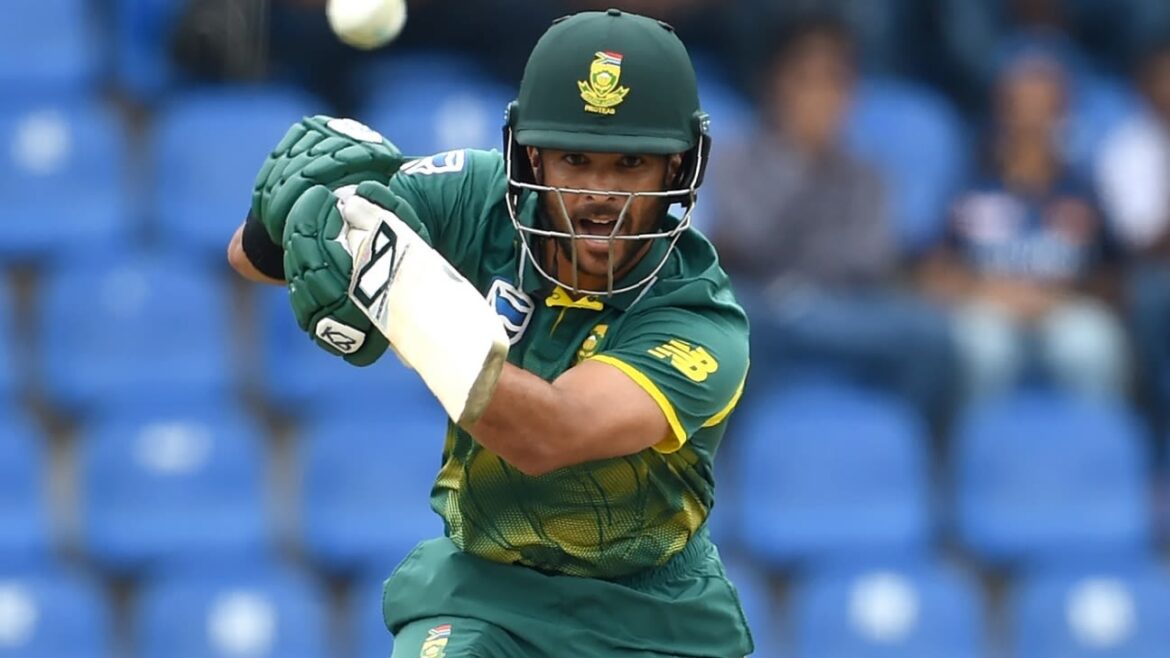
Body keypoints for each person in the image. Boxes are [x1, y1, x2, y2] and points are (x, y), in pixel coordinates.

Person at [227, 9, 753, 658]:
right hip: (488, 595)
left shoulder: (700, 319)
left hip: (653, 616)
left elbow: (548, 434)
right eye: (575, 159)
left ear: (676, 170)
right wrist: (306, 207)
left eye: (630, 164)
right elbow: (251, 257)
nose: (600, 195)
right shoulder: (478, 199)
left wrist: (401, 293)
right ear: (531, 155)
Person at [711, 15, 954, 420]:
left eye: (834, 81)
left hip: (847, 310)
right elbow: (748, 241)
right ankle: (733, 450)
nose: (820, 96)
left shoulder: (869, 174)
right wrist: (801, 165)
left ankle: (911, 445)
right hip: (767, 311)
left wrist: (809, 284)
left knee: (929, 334)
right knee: (726, 326)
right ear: (775, 85)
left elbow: (870, 259)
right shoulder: (737, 158)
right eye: (806, 80)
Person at [920, 46, 1128, 405]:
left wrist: (1060, 297)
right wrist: (989, 291)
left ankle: (1096, 438)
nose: (1031, 119)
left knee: (1092, 345)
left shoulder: (1083, 189)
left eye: (1043, 107)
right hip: (987, 308)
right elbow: (932, 274)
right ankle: (968, 437)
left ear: (1062, 114)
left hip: (1064, 310)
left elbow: (1116, 280)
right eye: (1021, 105)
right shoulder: (970, 185)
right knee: (984, 347)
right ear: (1002, 111)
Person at [1097, 36, 1170, 421]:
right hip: (1152, 273)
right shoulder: (1124, 150)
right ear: (1143, 88)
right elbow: (1139, 241)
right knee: (1150, 296)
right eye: (1165, 79)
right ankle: (1150, 421)